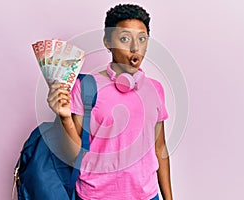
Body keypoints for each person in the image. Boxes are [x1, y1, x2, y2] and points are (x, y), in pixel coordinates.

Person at [47, 4, 173, 200]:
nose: (134, 48)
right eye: (124, 38)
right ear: (107, 41)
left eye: (141, 39)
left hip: (147, 196)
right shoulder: (86, 87)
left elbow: (160, 149)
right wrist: (65, 118)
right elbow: (73, 156)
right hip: (94, 196)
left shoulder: (155, 89)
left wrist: (169, 198)